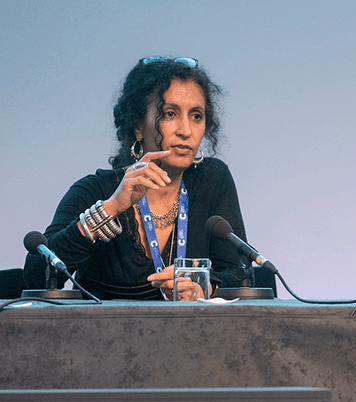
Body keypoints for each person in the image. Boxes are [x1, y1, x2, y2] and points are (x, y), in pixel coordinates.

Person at [23, 57, 249, 300]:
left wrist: (201, 285)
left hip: (189, 335)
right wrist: (111, 209)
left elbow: (240, 273)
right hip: (103, 335)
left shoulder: (212, 180)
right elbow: (37, 274)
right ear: (137, 125)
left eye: (196, 116)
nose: (186, 130)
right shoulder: (96, 190)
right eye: (170, 113)